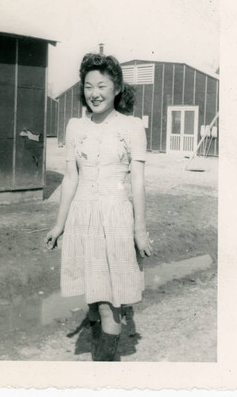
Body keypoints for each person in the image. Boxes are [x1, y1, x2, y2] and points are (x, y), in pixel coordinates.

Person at [45, 53, 152, 361]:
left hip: (116, 218)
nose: (95, 93)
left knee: (109, 302)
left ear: (116, 88)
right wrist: (58, 224)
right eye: (89, 86)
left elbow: (138, 182)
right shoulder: (75, 126)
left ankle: (103, 373)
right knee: (93, 298)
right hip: (83, 217)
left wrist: (140, 230)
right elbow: (70, 178)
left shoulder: (132, 127)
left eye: (102, 85)